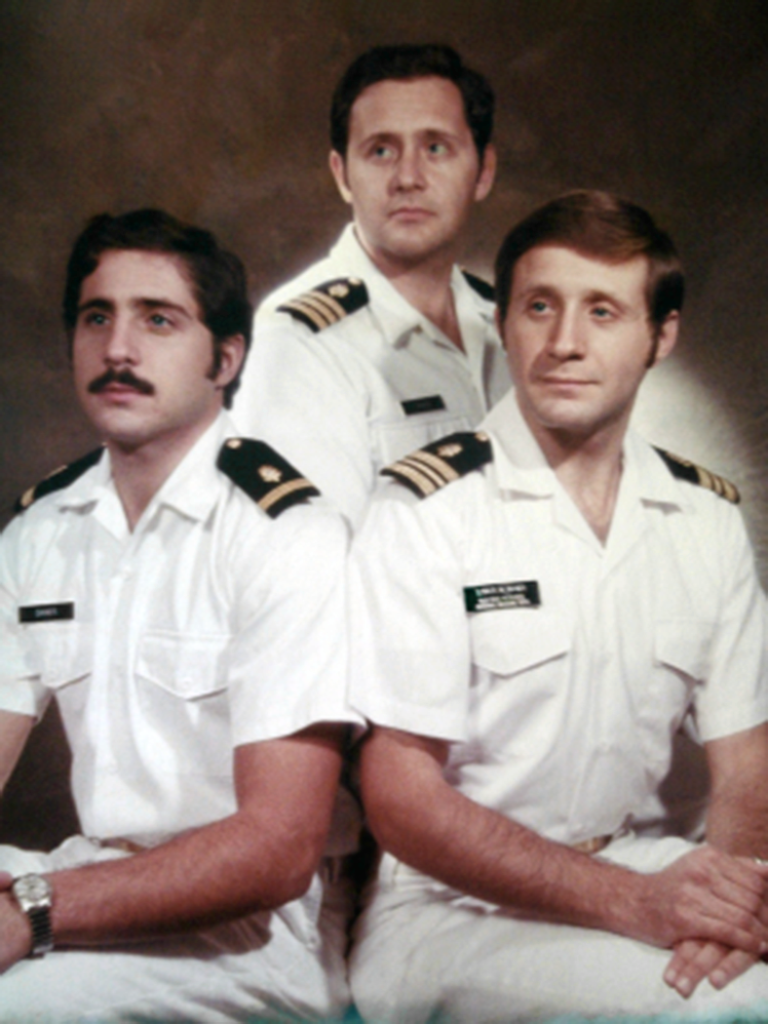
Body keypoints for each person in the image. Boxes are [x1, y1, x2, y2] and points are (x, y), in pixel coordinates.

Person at [347, 190, 768, 1022]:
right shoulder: (426, 511)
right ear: (504, 324)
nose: (565, 343)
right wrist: (639, 907)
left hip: (638, 862)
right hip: (448, 910)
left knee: (736, 978)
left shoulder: (706, 519)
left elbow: (747, 767)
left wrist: (731, 907)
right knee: (720, 1009)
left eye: (603, 311)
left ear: (661, 336)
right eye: (541, 306)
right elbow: (400, 796)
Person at [0, 209, 360, 1022]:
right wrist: (39, 895)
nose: (118, 349)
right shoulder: (39, 531)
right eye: (98, 317)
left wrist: (32, 908)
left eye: (158, 320)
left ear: (225, 359)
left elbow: (277, 850)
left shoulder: (286, 535)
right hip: (83, 875)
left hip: (248, 929)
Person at [233, 44, 511, 528]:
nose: (408, 178)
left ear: (483, 172)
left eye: (436, 148)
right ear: (343, 175)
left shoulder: (508, 323)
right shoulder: (301, 342)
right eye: (380, 150)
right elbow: (315, 567)